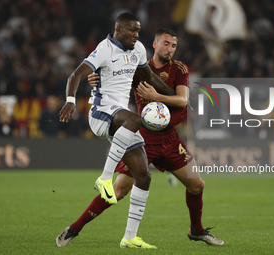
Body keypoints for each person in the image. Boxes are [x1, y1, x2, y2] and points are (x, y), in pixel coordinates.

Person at [57, 28, 224, 247]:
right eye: (166, 44)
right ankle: (74, 229)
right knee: (118, 191)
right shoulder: (137, 64)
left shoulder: (179, 68)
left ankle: (197, 230)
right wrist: (95, 79)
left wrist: (156, 97)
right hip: (143, 137)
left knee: (197, 185)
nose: (170, 49)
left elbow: (183, 101)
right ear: (154, 45)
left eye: (173, 45)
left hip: (171, 139)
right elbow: (111, 75)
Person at [56, 13, 175, 249]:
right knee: (135, 120)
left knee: (143, 176)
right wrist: (70, 99)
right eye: (133, 31)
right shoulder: (104, 49)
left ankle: (129, 237)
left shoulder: (138, 49)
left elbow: (148, 76)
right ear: (119, 29)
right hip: (101, 113)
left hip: (119, 117)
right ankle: (104, 177)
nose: (136, 36)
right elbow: (76, 74)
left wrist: (173, 95)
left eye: (138, 31)